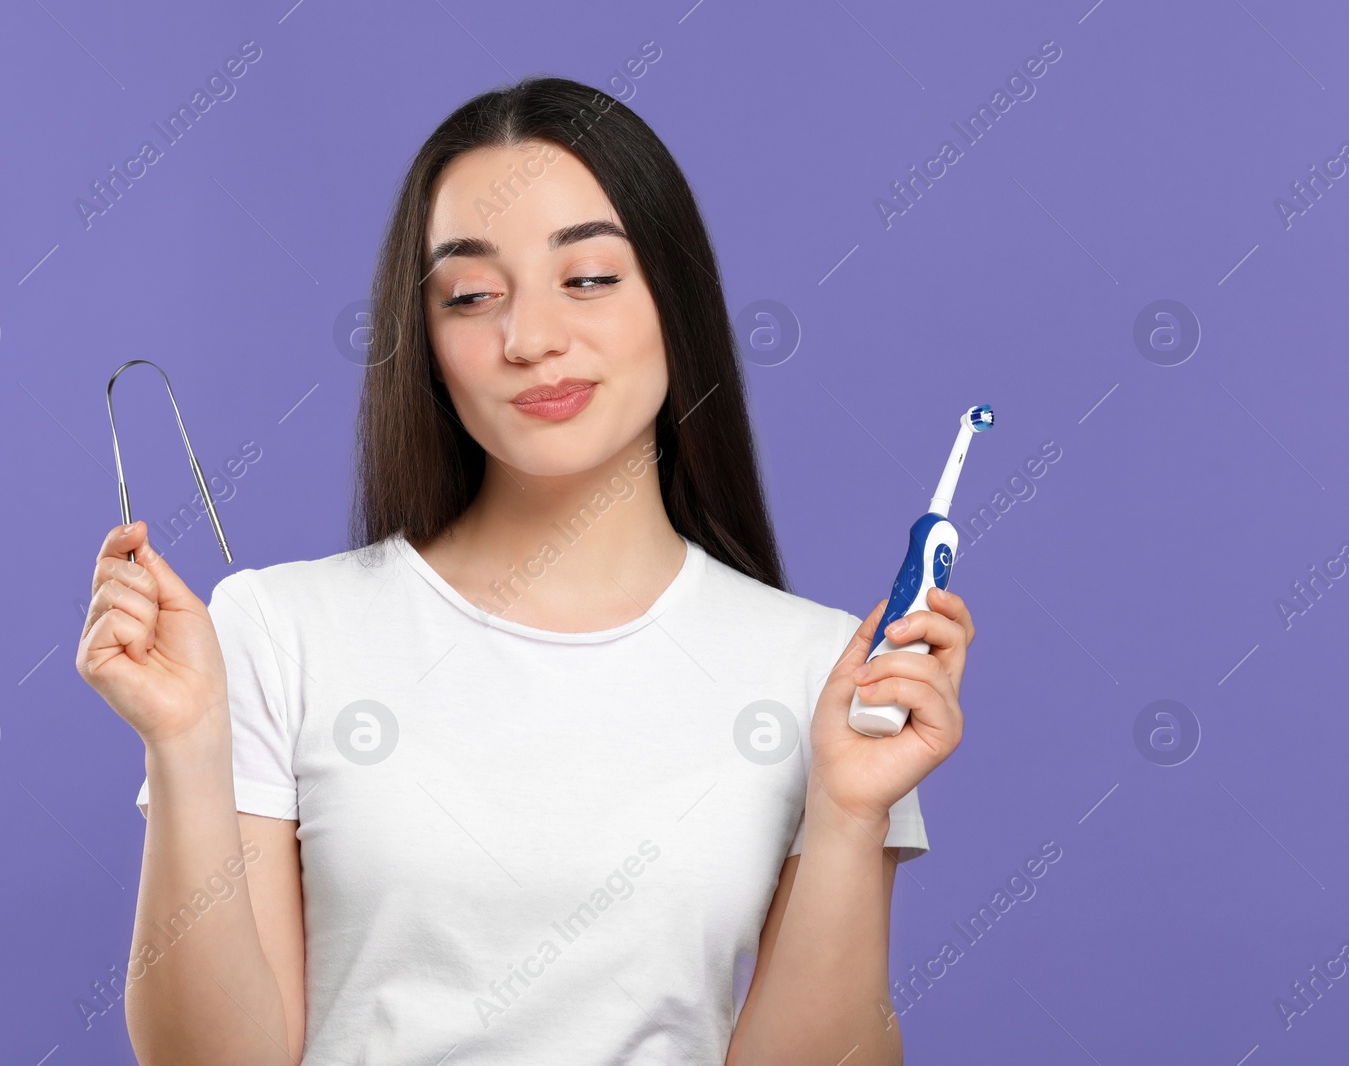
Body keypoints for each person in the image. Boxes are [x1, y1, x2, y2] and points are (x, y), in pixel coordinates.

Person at [76, 75, 972, 1066]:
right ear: (425, 340)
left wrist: (849, 815)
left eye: (588, 277)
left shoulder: (821, 672)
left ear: (675, 300)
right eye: (471, 295)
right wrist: (188, 747)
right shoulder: (276, 629)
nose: (530, 339)